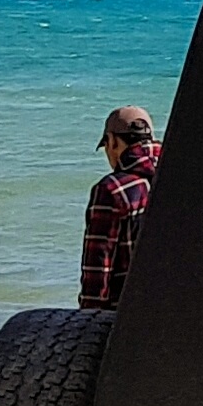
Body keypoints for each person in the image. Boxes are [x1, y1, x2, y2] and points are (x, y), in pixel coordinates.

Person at [79, 105, 159, 307]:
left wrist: (87, 318)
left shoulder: (112, 190)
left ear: (112, 141)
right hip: (178, 306)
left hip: (128, 314)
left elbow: (98, 269)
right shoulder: (183, 178)